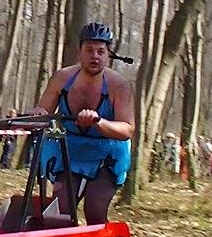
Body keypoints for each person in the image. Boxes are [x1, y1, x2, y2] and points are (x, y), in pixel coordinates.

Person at [28, 22, 135, 226]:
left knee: (94, 210)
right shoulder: (62, 78)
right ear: (80, 52)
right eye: (89, 50)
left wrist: (98, 122)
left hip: (107, 152)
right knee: (60, 212)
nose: (95, 56)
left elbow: (127, 129)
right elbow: (44, 111)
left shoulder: (119, 85)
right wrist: (35, 115)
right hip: (70, 149)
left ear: (108, 54)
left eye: (100, 51)